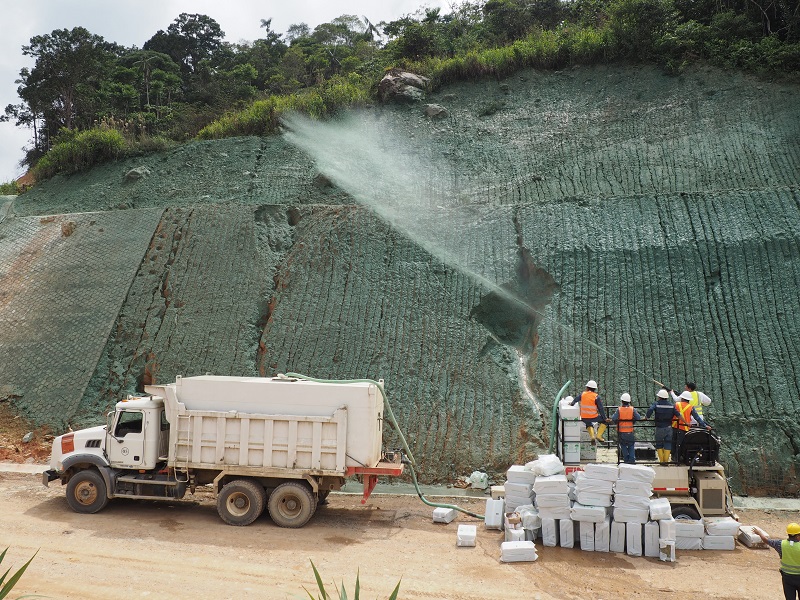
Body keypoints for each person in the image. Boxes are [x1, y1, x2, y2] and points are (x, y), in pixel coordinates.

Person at [754, 523, 800, 599]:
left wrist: (759, 533)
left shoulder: (780, 544)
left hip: (787, 578)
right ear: (798, 536)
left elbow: (767, 540)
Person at [646, 388, 689, 464]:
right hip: (669, 428)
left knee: (659, 443)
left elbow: (650, 410)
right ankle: (666, 461)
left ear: (659, 397)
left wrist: (647, 417)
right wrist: (686, 422)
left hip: (659, 427)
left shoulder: (656, 404)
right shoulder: (672, 406)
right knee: (668, 443)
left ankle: (662, 461)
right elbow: (679, 415)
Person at [671, 390, 711, 462]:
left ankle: (673, 457)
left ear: (682, 398)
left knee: (673, 442)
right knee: (680, 443)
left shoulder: (676, 404)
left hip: (674, 426)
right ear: (689, 400)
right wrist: (705, 426)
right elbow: (697, 418)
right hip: (683, 427)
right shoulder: (691, 407)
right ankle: (677, 459)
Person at [570, 380, 610, 444]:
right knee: (604, 421)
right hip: (593, 417)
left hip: (584, 417)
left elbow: (575, 400)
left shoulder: (582, 394)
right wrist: (605, 418)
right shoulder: (596, 397)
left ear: (587, 388)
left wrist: (571, 404)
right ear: (594, 389)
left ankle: (592, 437)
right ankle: (598, 436)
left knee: (588, 423)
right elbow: (601, 409)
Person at [610, 393, 643, 464]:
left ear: (622, 401)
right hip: (630, 431)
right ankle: (632, 461)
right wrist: (632, 421)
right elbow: (638, 418)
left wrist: (618, 422)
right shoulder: (632, 409)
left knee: (623, 446)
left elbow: (613, 418)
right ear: (629, 401)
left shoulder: (619, 409)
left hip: (621, 432)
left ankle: (626, 460)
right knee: (631, 446)